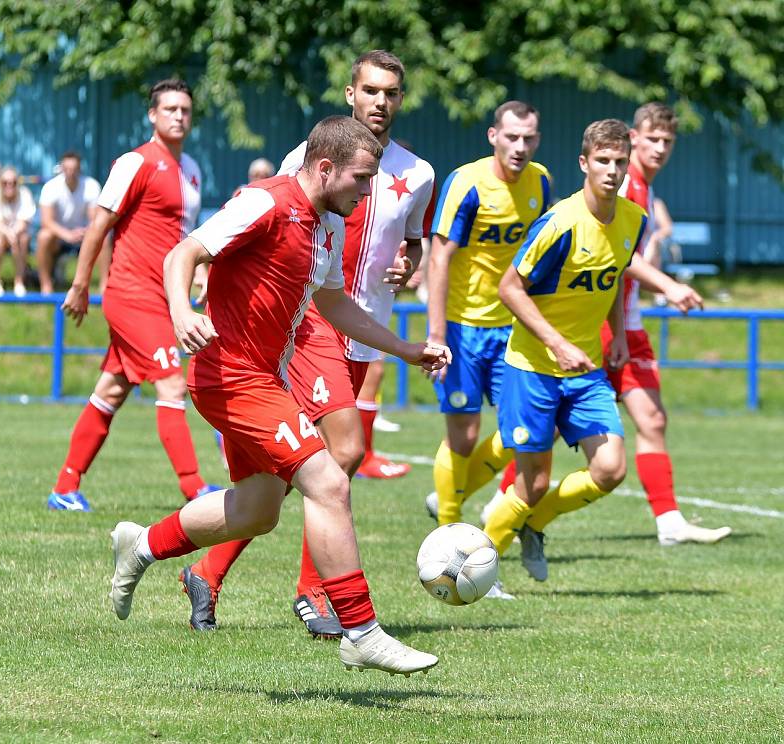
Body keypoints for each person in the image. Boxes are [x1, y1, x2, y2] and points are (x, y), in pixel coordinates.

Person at [108, 115, 449, 678]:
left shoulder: (328, 224)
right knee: (328, 480)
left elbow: (335, 305)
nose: (367, 192)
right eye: (361, 179)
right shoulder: (264, 203)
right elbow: (182, 255)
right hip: (229, 375)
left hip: (267, 375)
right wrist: (181, 311)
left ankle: (141, 545)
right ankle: (361, 631)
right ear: (324, 168)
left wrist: (406, 350)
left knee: (257, 510)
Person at [178, 50, 434, 638]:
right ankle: (315, 595)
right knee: (339, 453)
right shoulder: (315, 155)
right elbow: (265, 218)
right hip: (314, 319)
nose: (380, 101)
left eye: (391, 92)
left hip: (364, 321)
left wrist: (408, 266)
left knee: (294, 472)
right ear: (350, 94)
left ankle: (208, 572)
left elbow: (413, 242)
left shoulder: (417, 173)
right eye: (370, 90)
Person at [482, 119, 643, 584]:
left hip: (586, 367)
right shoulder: (561, 222)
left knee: (611, 469)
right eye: (602, 162)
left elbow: (614, 279)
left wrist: (621, 336)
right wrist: (557, 341)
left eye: (619, 162)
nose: (612, 171)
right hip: (532, 366)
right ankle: (479, 567)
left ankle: (536, 524)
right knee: (530, 483)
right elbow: (509, 288)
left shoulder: (634, 220)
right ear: (584, 163)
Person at [47, 79, 218, 512]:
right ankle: (195, 489)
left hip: (164, 297)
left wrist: (199, 271)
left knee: (112, 390)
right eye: (170, 109)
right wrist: (81, 284)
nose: (178, 116)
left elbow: (184, 238)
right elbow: (99, 225)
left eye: (185, 109)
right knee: (172, 383)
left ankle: (64, 487)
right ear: (152, 115)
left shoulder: (192, 170)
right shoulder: (135, 162)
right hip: (131, 294)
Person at [603, 102, 731, 545]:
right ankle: (494, 505)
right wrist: (668, 285)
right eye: (651, 138)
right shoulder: (623, 186)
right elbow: (615, 255)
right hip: (600, 323)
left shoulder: (647, 191)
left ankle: (669, 523)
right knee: (550, 430)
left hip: (629, 323)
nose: (659, 147)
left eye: (667, 141)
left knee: (653, 421)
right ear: (633, 137)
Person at [426, 101, 551, 541]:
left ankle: (451, 494)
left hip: (514, 330)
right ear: (492, 135)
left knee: (526, 431)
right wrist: (437, 336)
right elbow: (439, 257)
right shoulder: (467, 181)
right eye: (512, 137)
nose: (520, 147)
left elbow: (541, 257)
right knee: (464, 434)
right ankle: (448, 528)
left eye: (529, 138)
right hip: (462, 329)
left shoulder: (541, 183)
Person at [36, 151, 111, 295]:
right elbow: (46, 221)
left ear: (79, 169)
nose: (70, 172)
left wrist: (84, 232)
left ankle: (104, 286)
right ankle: (45, 285)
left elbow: (95, 219)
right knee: (43, 236)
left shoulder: (91, 186)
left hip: (84, 234)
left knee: (105, 237)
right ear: (61, 169)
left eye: (74, 169)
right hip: (58, 236)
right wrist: (67, 234)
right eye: (67, 169)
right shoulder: (51, 187)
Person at [0, 166, 36, 297]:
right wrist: (10, 234)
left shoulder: (25, 194)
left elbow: (23, 222)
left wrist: (12, 234)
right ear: (0, 183)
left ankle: (19, 281)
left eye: (13, 182)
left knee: (23, 239)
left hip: (18, 235)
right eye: (5, 182)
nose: (9, 185)